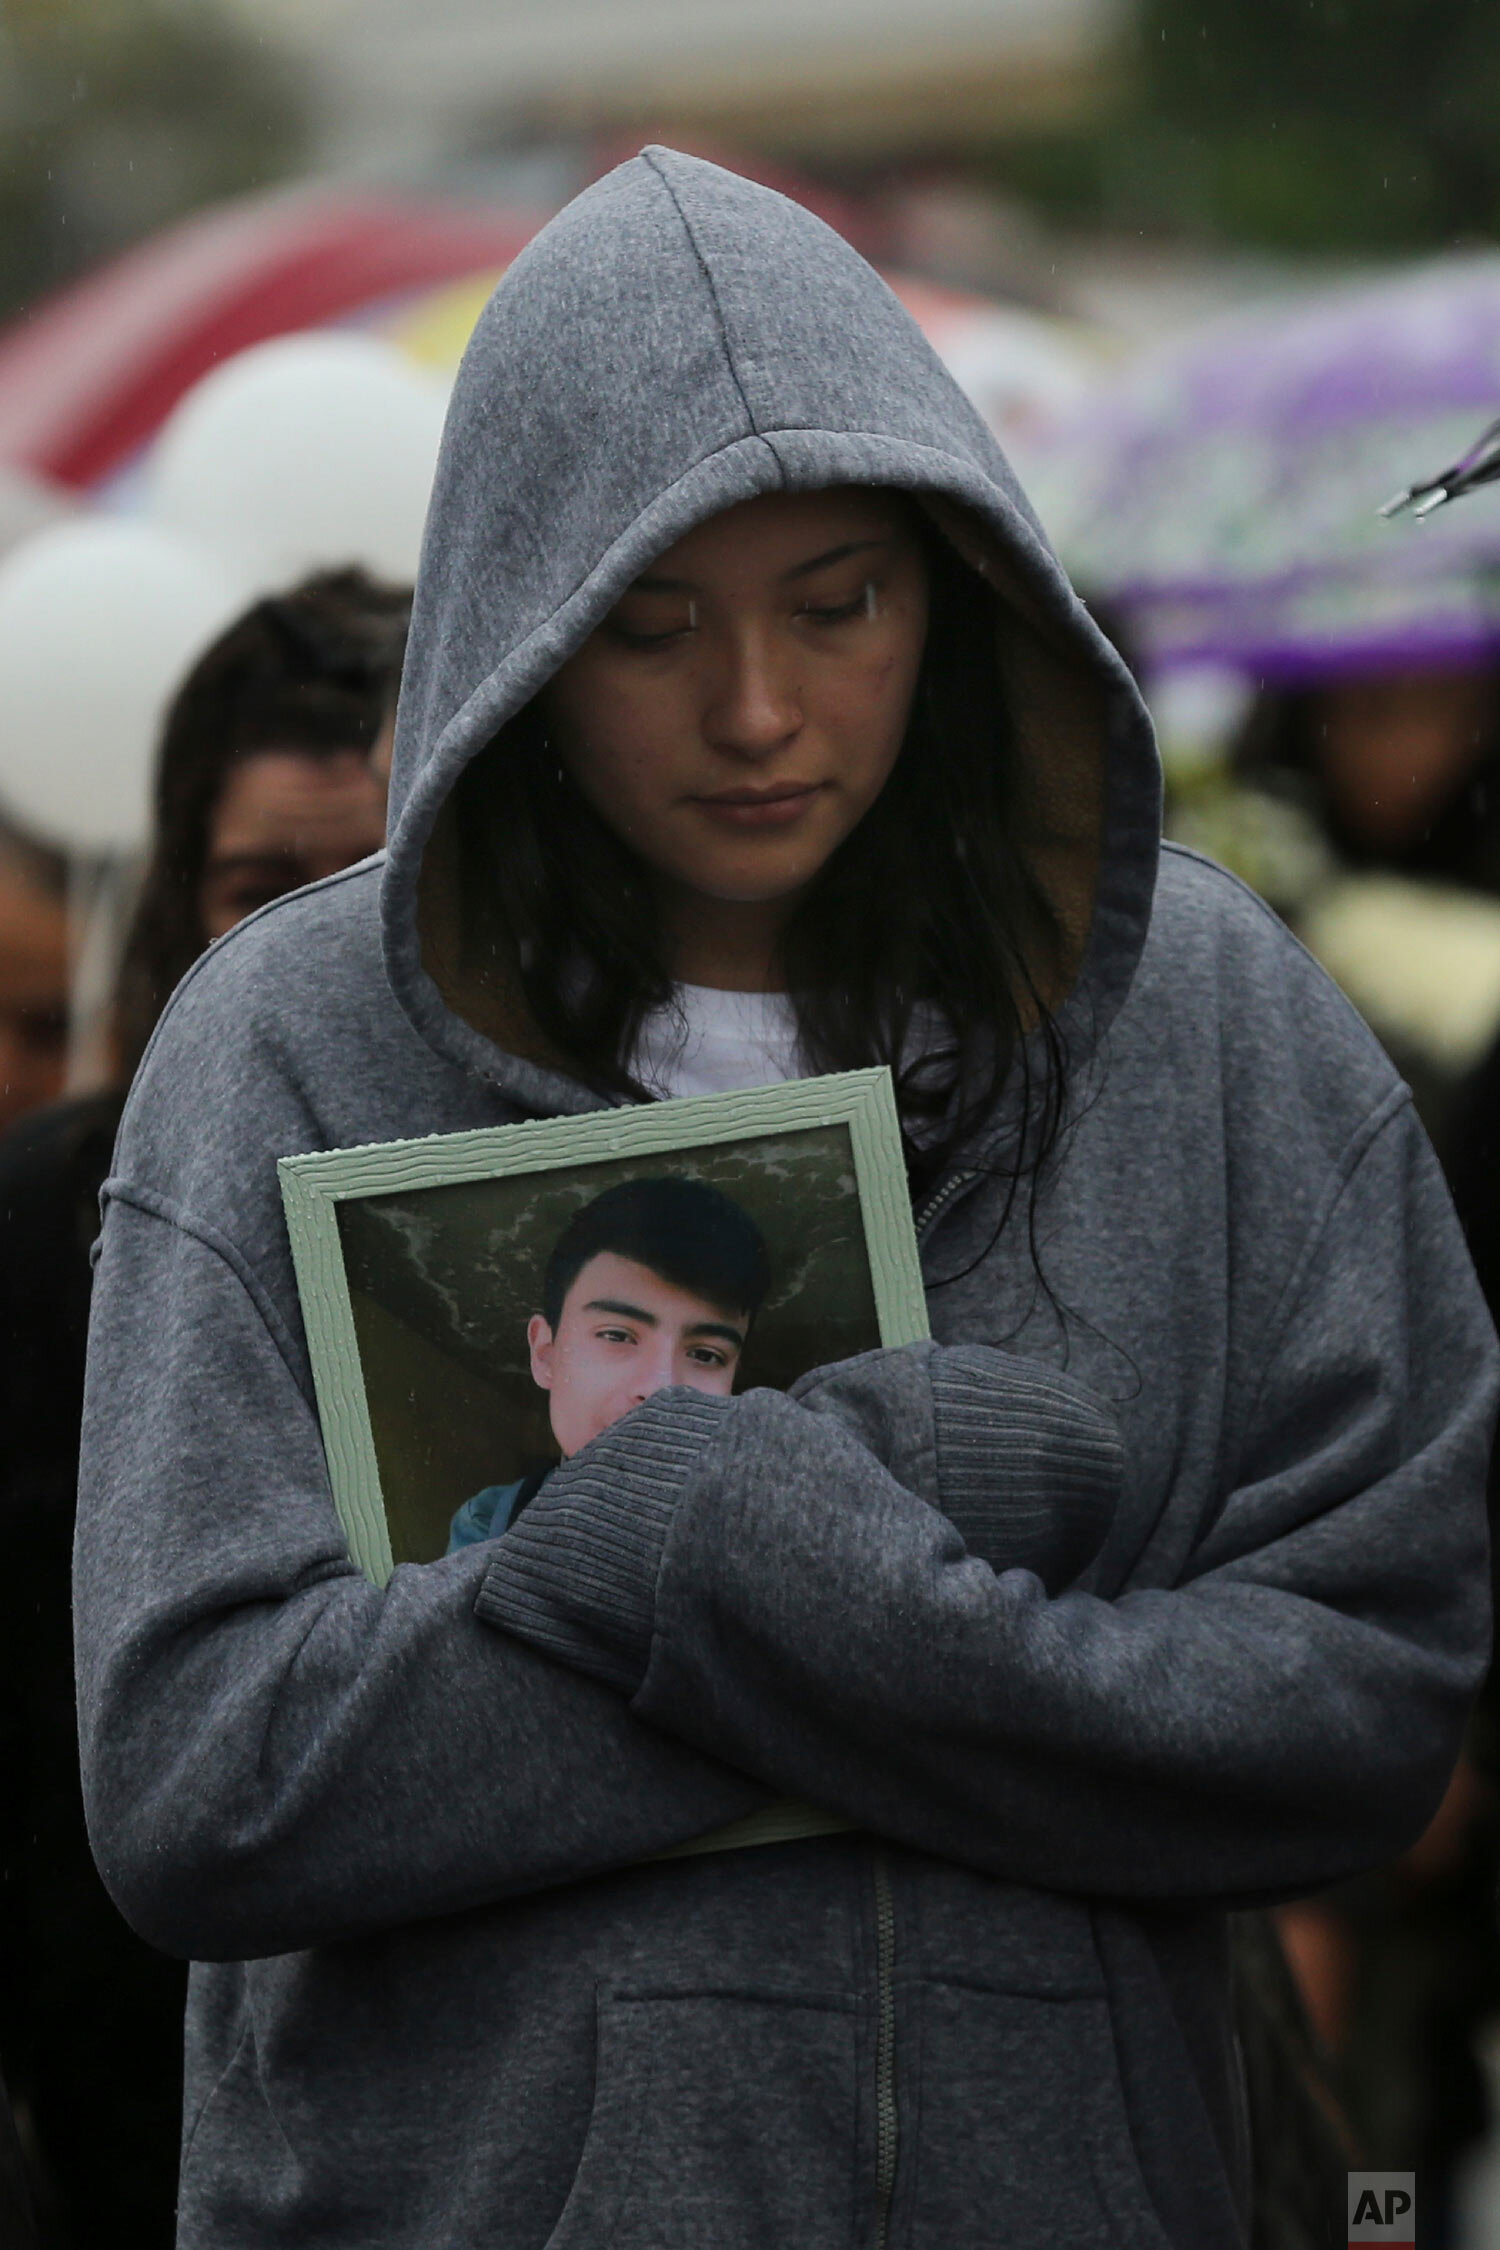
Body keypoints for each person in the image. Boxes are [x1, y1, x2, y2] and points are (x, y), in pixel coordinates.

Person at [74, 151, 1496, 2250]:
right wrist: (710, 1569)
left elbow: (1363, 1705)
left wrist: (752, 1571)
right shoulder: (281, 1051)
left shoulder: (1207, 1030)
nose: (758, 712)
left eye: (839, 604)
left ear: (960, 577)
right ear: (518, 632)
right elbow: (203, 1781)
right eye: (648, 627)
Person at [0, 567, 407, 2249]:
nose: (317, 943)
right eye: (262, 889)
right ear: (175, 908)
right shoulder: (36, 1234)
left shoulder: (563, 1231)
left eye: (378, 877)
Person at [448, 1174, 770, 1551]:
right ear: (545, 1354)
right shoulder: (488, 1522)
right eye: (617, 1335)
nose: (660, 1390)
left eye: (705, 1355)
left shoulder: (771, 1534)